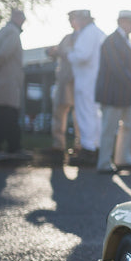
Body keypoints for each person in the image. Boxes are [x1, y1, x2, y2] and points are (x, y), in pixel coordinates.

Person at [95, 10, 131, 173]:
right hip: (113, 93)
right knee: (109, 128)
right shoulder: (111, 41)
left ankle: (123, 159)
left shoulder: (126, 41)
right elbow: (117, 68)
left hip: (125, 94)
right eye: (130, 22)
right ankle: (103, 164)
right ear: (121, 22)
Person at [0, 9, 30, 161]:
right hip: (7, 81)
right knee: (6, 116)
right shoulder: (13, 33)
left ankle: (11, 147)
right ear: (18, 18)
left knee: (4, 116)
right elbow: (3, 54)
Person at [64, 9, 104, 166]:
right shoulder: (98, 32)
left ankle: (88, 150)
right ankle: (95, 147)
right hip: (94, 80)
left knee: (86, 114)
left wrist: (67, 54)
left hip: (86, 80)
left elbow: (81, 56)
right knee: (94, 114)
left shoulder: (87, 33)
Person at [47, 21, 79, 158]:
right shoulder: (67, 37)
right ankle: (58, 146)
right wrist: (52, 51)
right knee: (59, 113)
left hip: (78, 81)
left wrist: (62, 51)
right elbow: (57, 52)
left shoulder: (85, 38)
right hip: (64, 80)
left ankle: (80, 146)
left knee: (80, 116)